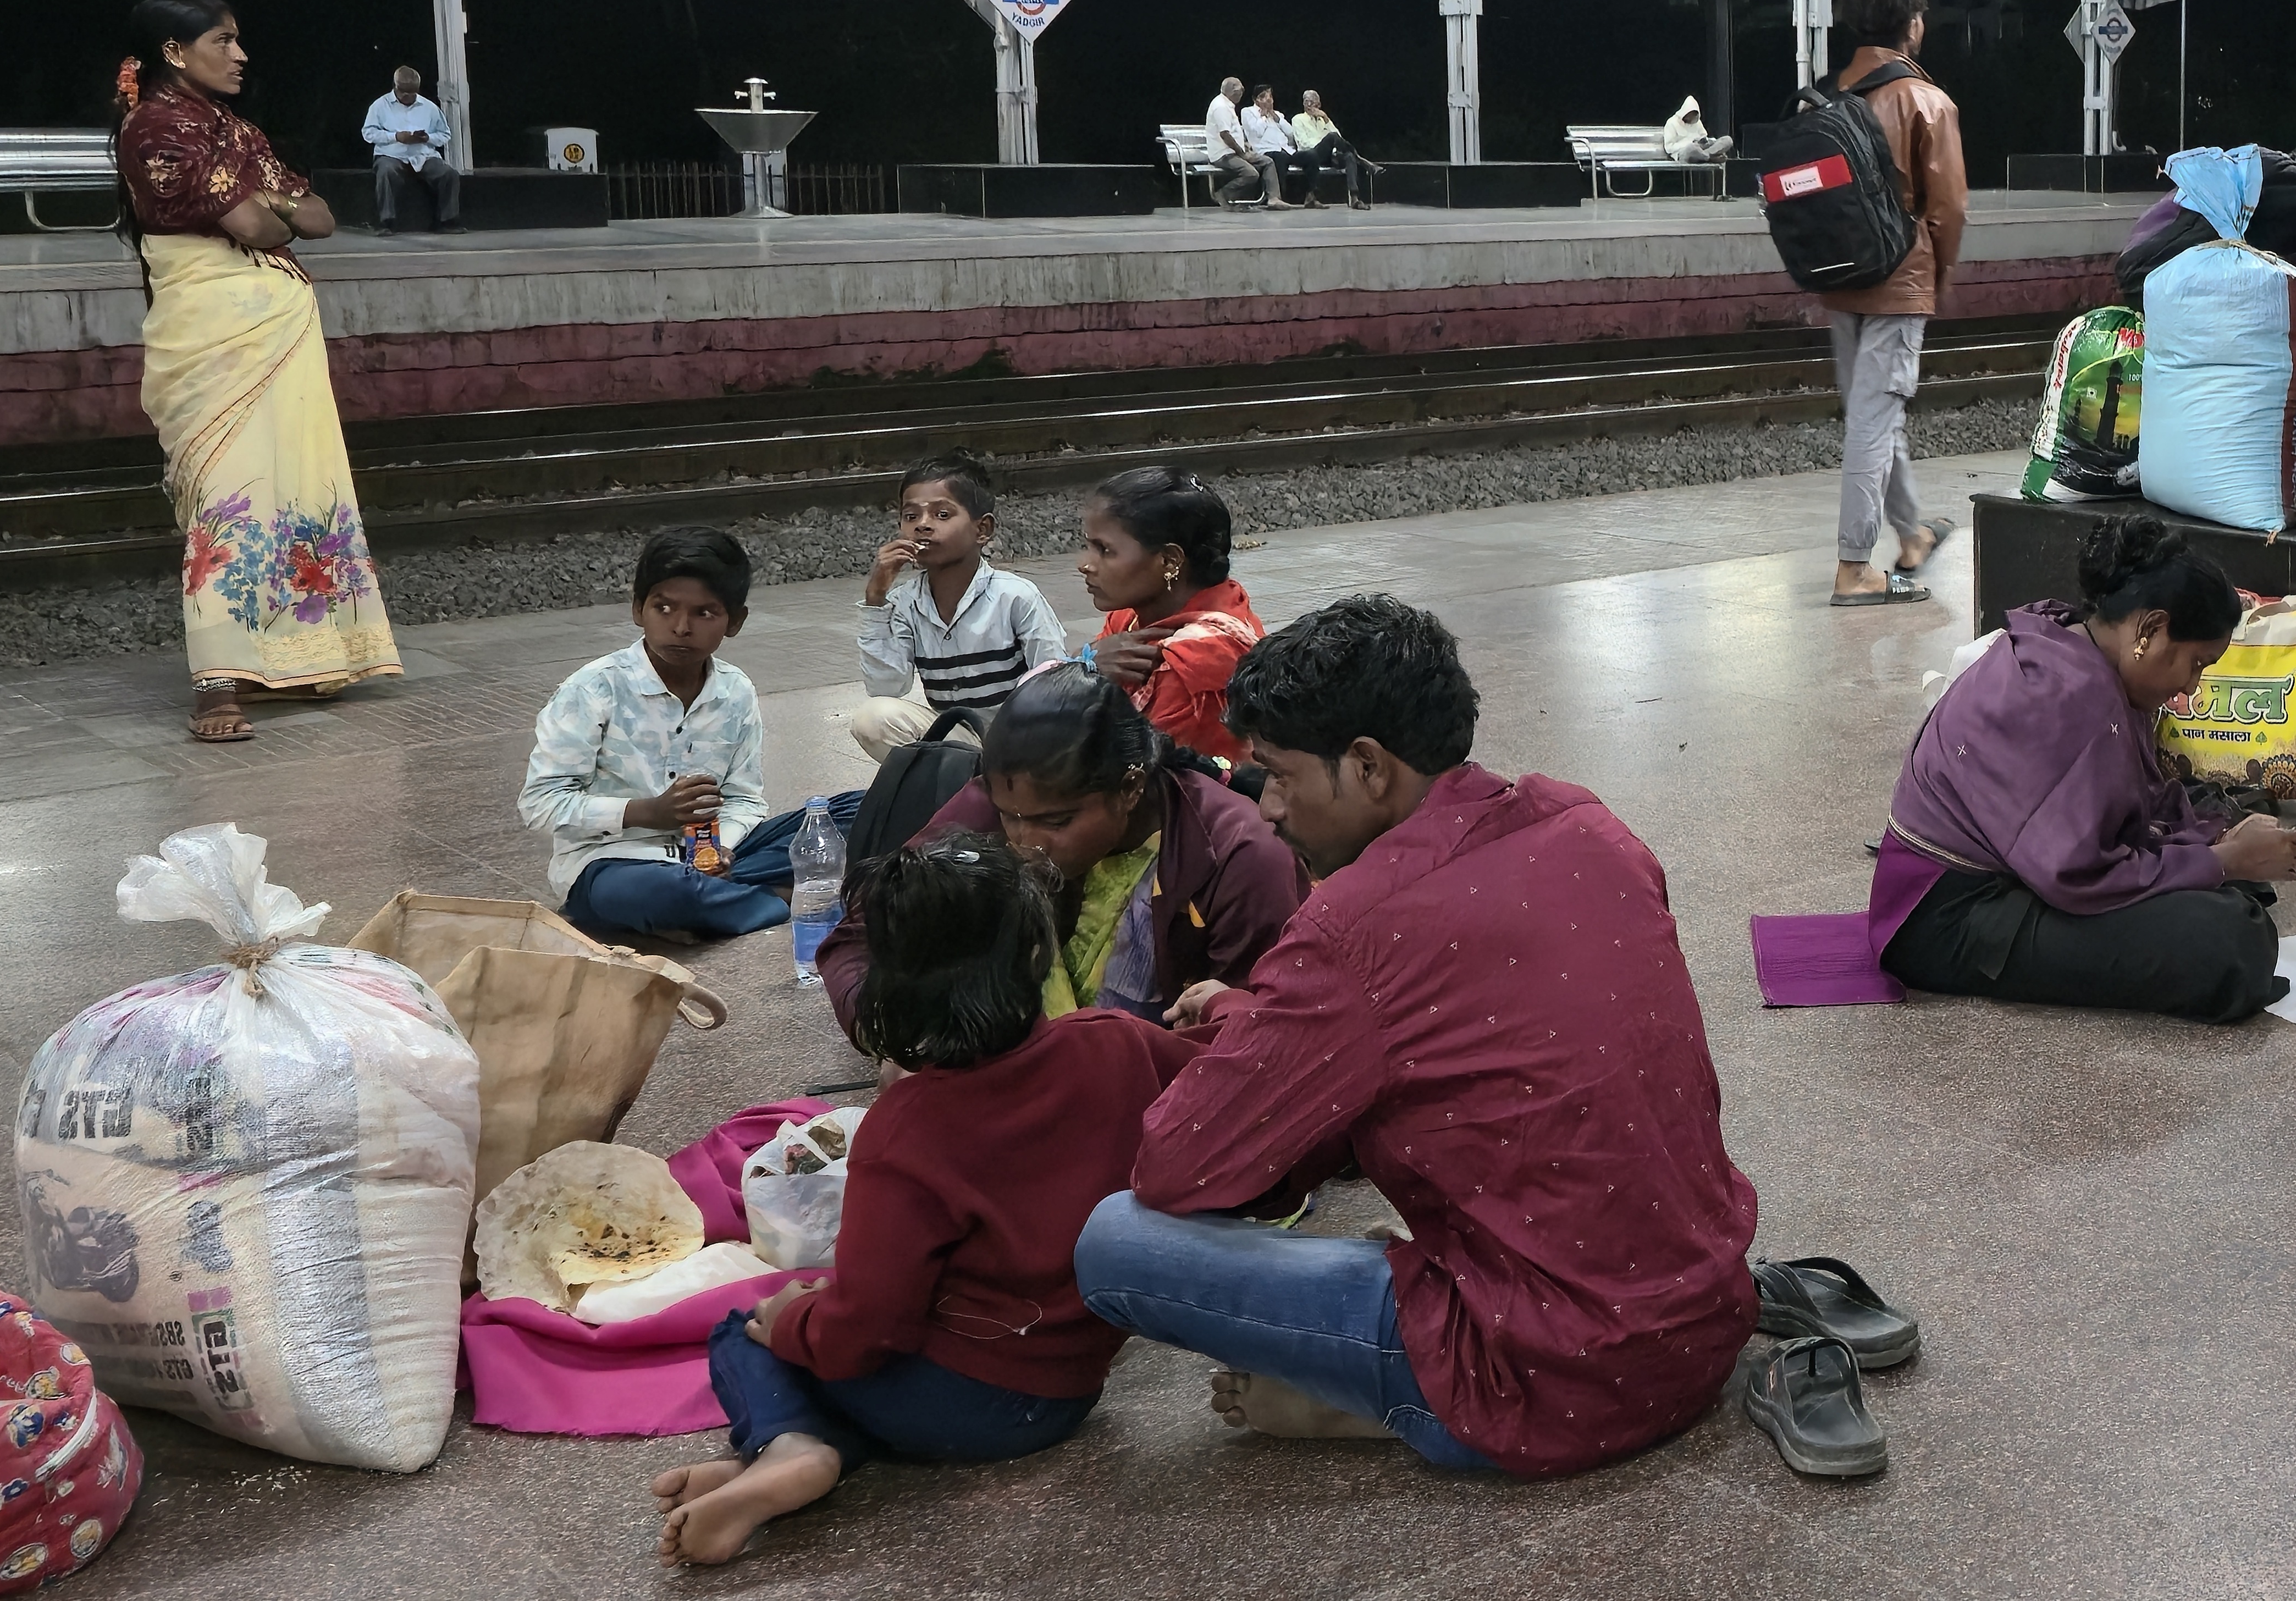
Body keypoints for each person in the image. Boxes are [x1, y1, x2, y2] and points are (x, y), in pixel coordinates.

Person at [1078, 595, 1769, 1479]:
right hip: (1705, 1323)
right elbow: (1453, 1015)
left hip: (1546, 1373)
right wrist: (1250, 1014)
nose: (1272, 808)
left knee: (1115, 1242)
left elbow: (1180, 1165)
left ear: (1368, 766)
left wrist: (1253, 1039)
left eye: (1284, 775)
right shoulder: (1588, 824)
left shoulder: (1352, 925)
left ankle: (1398, 1401)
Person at [649, 832, 1199, 1565]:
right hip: (1067, 1394)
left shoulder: (905, 1132)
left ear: (885, 987)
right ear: (1038, 954)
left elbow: (868, 1328)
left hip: (955, 1399)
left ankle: (791, 1446)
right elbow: (1222, 1074)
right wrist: (1232, 1010)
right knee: (858, 1367)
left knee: (743, 1331)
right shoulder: (1118, 1043)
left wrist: (792, 1319)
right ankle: (798, 1459)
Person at [1866, 516, 2296, 1021]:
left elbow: (2134, 800)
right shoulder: (2074, 697)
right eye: (2197, 663)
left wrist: (2223, 843)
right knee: (2230, 945)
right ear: (2151, 629)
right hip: (1949, 919)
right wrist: (2223, 861)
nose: (2191, 688)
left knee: (2214, 824)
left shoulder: (2070, 637)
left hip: (2017, 875)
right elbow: (2079, 873)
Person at [115, 0, 401, 741]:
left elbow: (321, 219)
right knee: (230, 496)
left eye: (240, 41)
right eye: (224, 41)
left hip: (276, 328)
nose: (241, 55)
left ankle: (298, 658)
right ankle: (218, 682)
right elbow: (254, 222)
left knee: (296, 485)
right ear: (176, 52)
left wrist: (264, 199)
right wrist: (269, 203)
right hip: (214, 335)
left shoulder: (235, 128)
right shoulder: (157, 127)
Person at [818, 661, 1303, 1030]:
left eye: (1057, 822)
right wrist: (902, 1036)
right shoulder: (1001, 805)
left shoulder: (1239, 855)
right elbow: (856, 939)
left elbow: (1260, 1037)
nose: (1025, 842)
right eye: (1011, 818)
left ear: (1130, 789)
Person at [520, 527, 778, 941]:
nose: (681, 628)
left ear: (735, 622)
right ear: (639, 610)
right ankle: (776, 899)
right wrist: (648, 813)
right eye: (664, 608)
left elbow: (745, 798)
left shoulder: (735, 691)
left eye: (704, 613)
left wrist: (722, 848)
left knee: (854, 812)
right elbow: (541, 804)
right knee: (655, 894)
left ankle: (714, 900)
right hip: (613, 863)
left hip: (712, 857)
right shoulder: (593, 689)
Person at [1813, 0, 1973, 608]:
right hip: (1897, 283)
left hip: (1839, 279)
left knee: (1873, 415)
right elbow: (1950, 209)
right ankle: (1855, 568)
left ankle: (1911, 537)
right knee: (1873, 427)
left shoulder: (1825, 97)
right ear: (1912, 26)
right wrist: (1938, 276)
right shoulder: (1924, 101)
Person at [851, 452, 1073, 759]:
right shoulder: (905, 603)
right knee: (873, 718)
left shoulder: (1015, 596)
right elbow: (887, 688)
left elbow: (1055, 682)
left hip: (1023, 740)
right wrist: (876, 599)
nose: (923, 526)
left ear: (982, 530)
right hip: (961, 742)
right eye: (911, 516)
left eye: (942, 515)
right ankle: (965, 790)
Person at [1077, 466, 1265, 763]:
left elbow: (1134, 772)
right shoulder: (1130, 617)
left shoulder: (1197, 662)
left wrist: (1081, 667)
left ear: (1169, 561)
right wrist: (1087, 662)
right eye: (1087, 545)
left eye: (1104, 550)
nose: (1085, 564)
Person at [358, 65, 460, 233]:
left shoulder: (430, 108)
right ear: (395, 87)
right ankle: (386, 222)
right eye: (403, 92)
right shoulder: (380, 106)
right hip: (391, 154)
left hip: (423, 155)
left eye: (411, 93)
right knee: (386, 172)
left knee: (449, 174)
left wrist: (428, 138)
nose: (407, 96)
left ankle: (446, 221)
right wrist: (396, 137)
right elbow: (368, 133)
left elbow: (445, 135)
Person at [1202, 78, 1288, 211]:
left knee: (1268, 162)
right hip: (1223, 155)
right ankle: (1223, 194)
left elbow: (1233, 132)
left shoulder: (1228, 105)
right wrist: (1242, 154)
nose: (1241, 94)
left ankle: (1274, 198)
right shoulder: (1221, 107)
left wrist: (1244, 145)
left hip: (1234, 152)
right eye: (1240, 91)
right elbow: (1225, 135)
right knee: (1251, 173)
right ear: (1233, 92)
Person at [1287, 89, 1370, 206]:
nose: (1310, 105)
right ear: (1304, 104)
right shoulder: (1298, 119)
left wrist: (1326, 118)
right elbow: (1303, 143)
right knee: (1331, 137)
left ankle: (1354, 198)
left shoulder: (1324, 119)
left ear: (1319, 105)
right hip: (1312, 154)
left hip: (1330, 156)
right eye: (1307, 102)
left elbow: (1339, 139)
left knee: (1349, 156)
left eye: (1313, 102)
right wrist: (1325, 144)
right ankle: (1361, 160)